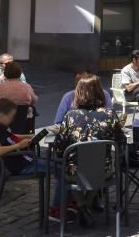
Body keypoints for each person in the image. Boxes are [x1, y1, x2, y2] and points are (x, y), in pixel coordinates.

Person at [54, 74, 126, 226]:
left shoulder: (70, 116)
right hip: (103, 170)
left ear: (78, 94)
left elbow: (59, 148)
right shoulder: (110, 116)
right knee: (97, 173)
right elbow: (121, 143)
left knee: (62, 169)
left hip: (74, 172)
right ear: (100, 93)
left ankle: (81, 205)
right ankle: (86, 204)